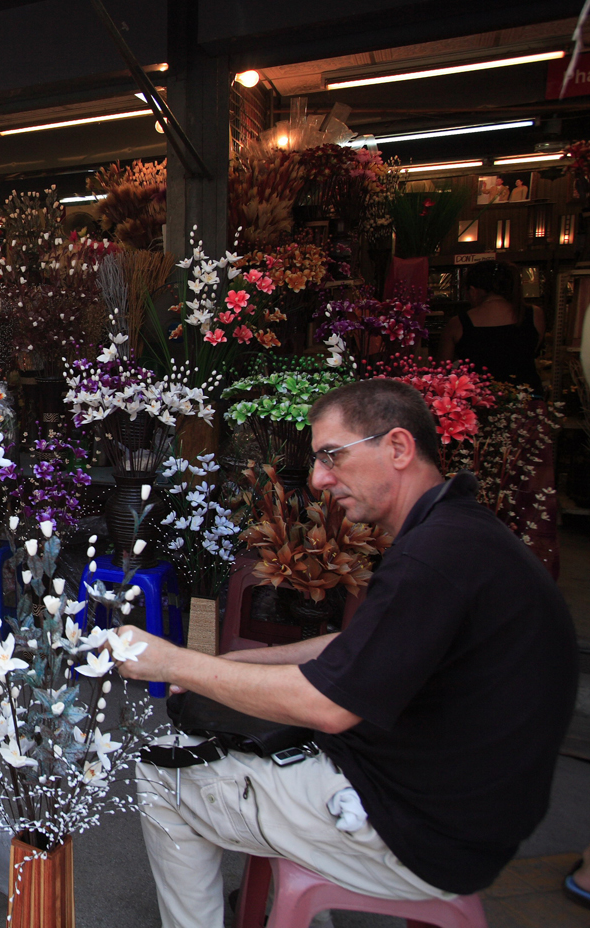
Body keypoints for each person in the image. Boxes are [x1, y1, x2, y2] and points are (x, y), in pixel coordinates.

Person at [118, 378, 576, 927]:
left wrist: (171, 660)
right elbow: (359, 648)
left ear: (399, 448)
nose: (317, 479)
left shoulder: (434, 557)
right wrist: (227, 666)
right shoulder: (459, 532)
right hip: (452, 807)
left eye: (331, 456)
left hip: (421, 831)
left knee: (162, 772)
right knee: (219, 732)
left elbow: (328, 705)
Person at [439, 260, 544, 390]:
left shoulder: (458, 324)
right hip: (528, 399)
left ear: (472, 291)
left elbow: (442, 372)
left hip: (478, 401)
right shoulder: (534, 314)